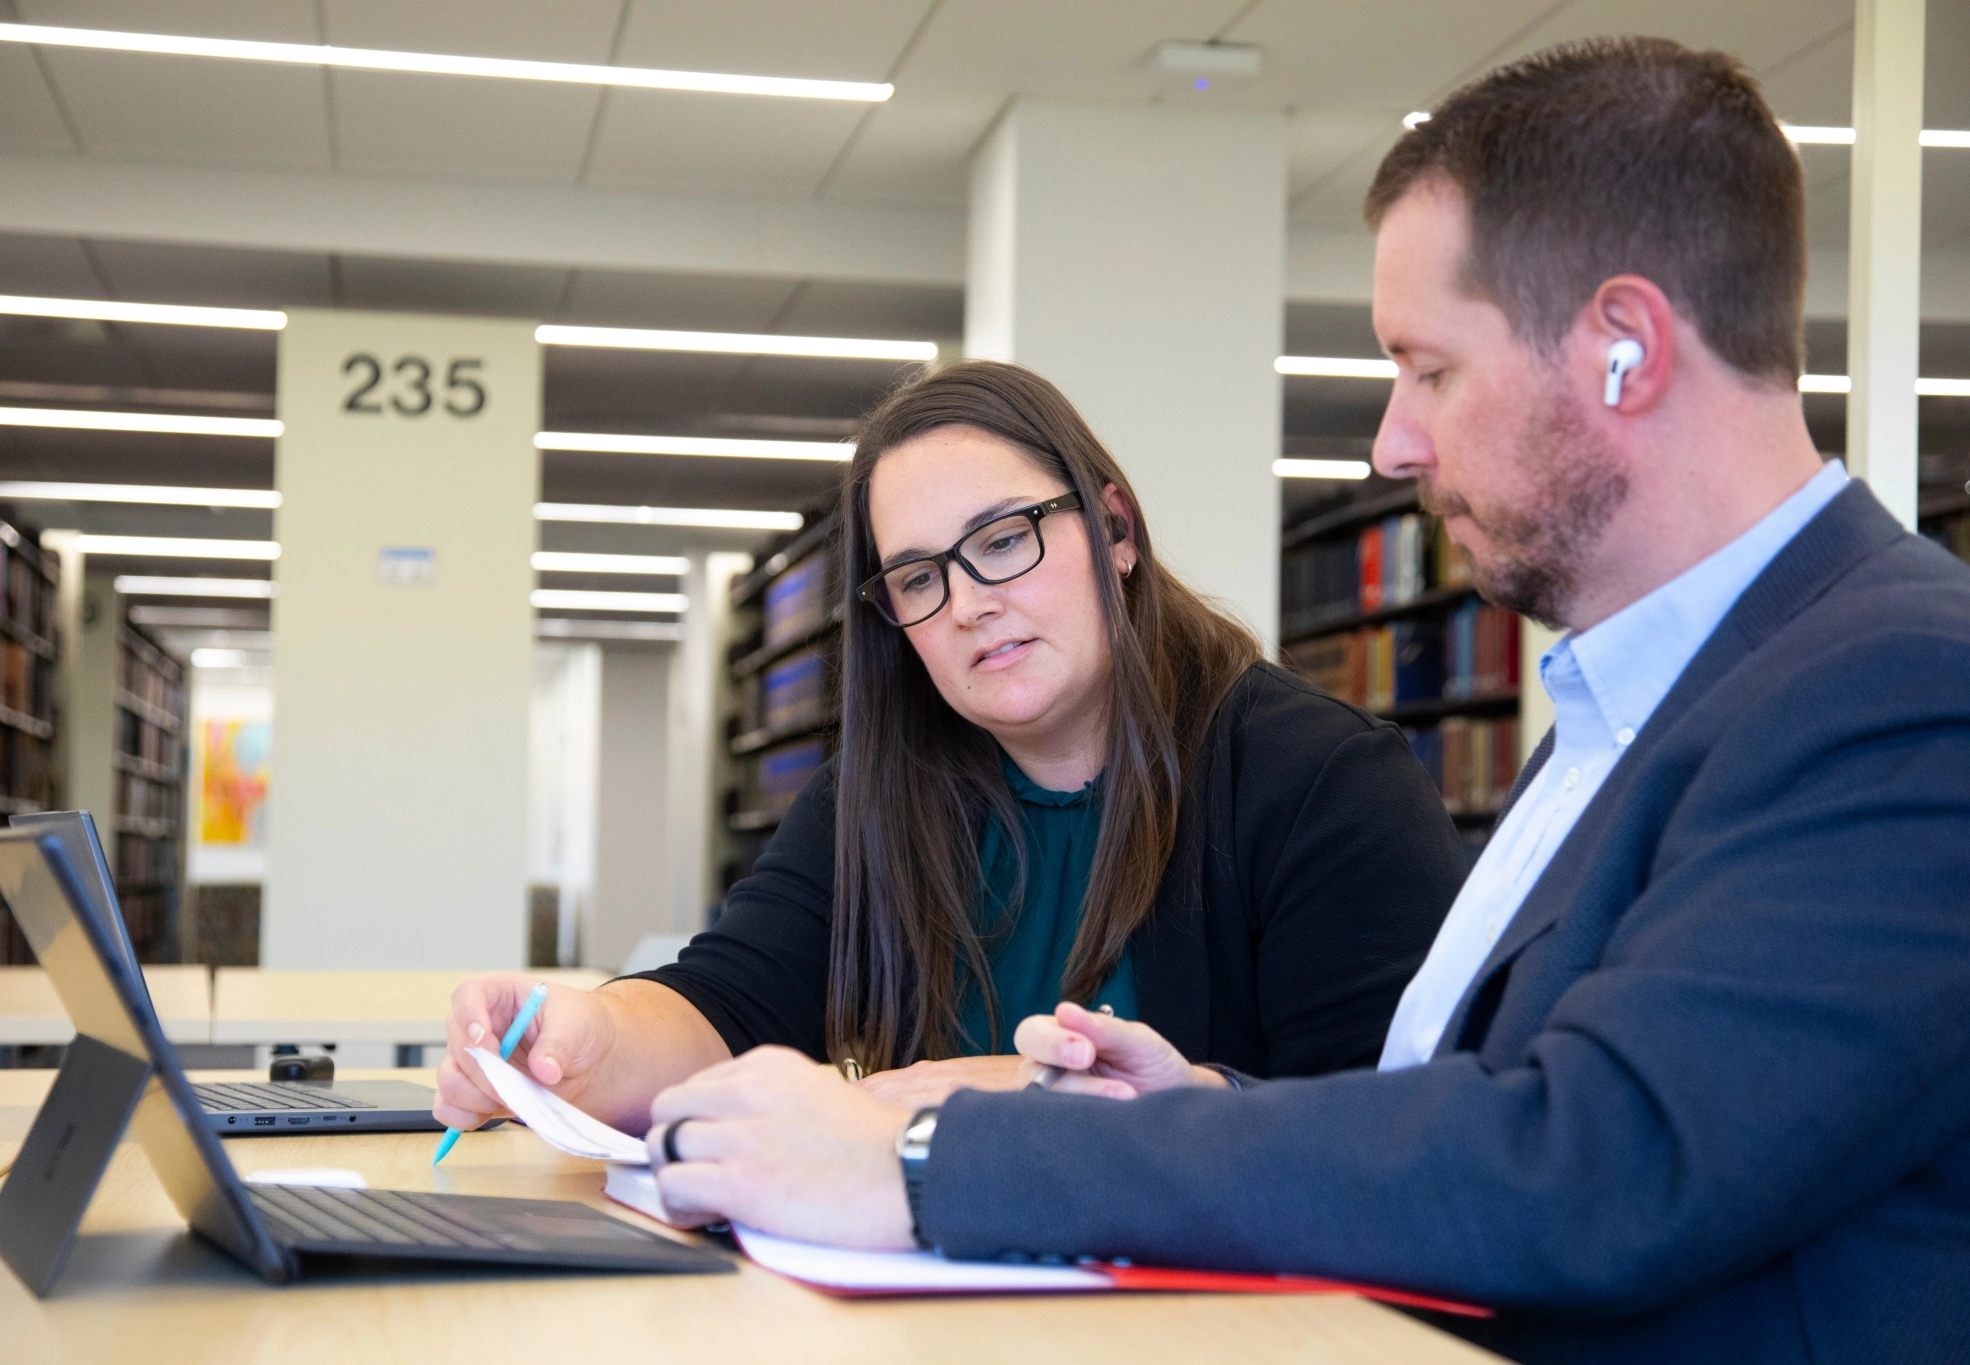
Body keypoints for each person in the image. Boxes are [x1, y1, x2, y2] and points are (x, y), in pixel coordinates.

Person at [632, 37, 1970, 1365]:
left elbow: (1595, 1165)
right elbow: (1464, 1113)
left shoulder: (1900, 686)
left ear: (1624, 348)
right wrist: (1200, 1103)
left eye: (1429, 368)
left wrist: (935, 1159)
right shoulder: (1655, 700)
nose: (1393, 440)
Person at [435, 361, 1469, 1135]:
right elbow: (726, 1001)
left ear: (1113, 530)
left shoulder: (1319, 784)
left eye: (1003, 539)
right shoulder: (879, 793)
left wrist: (1028, 1105)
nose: (970, 605)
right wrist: (576, 1044)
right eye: (919, 577)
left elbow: (1384, 1139)